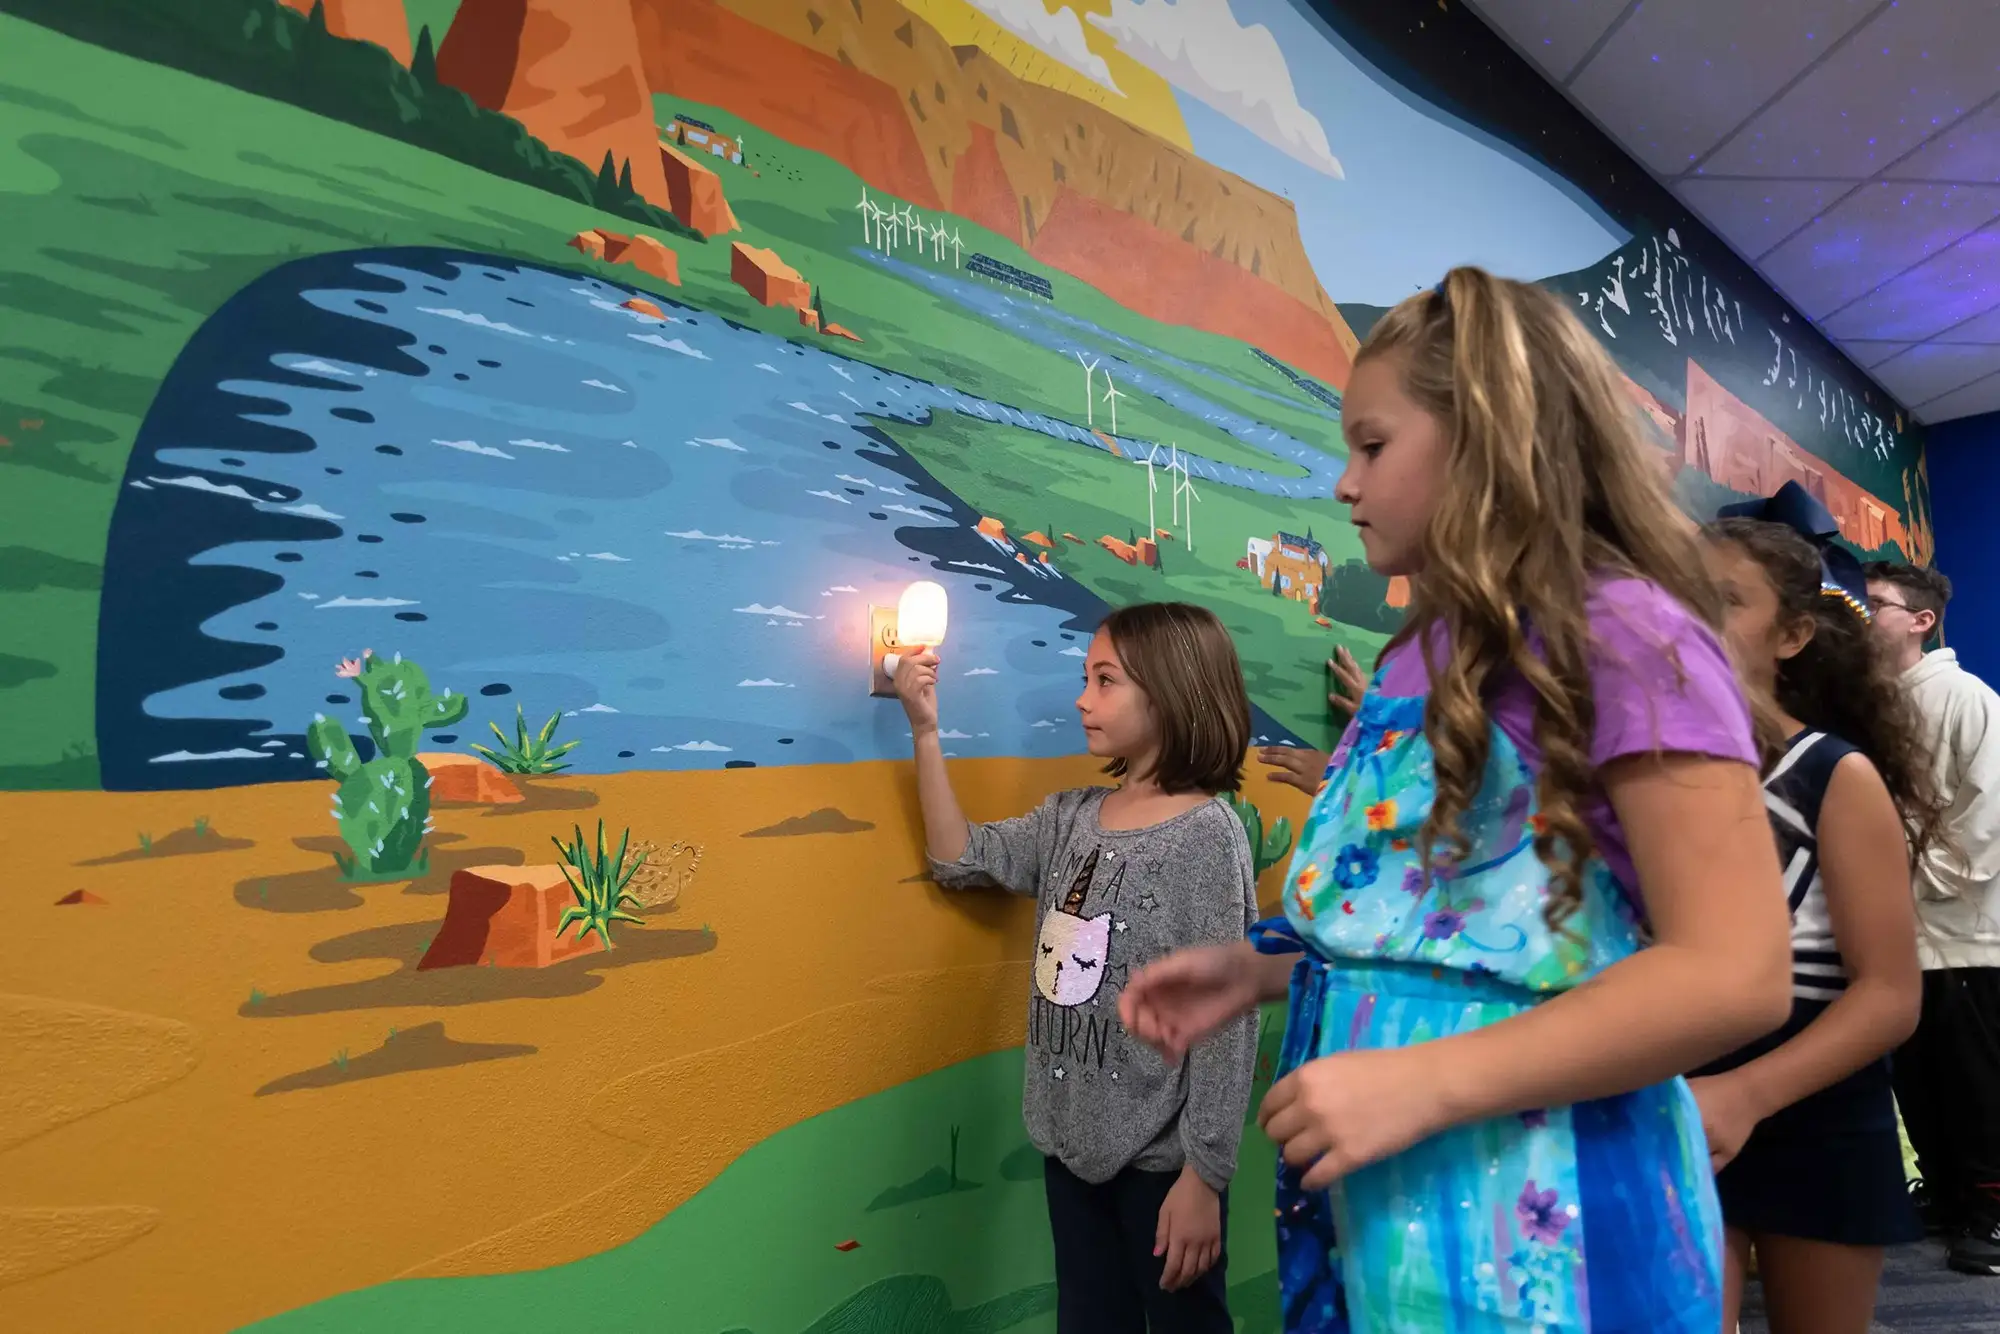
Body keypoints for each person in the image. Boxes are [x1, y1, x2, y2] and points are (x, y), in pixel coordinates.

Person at [1118, 267, 1794, 1333]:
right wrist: (1263, 972)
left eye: (1371, 445)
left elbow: (1736, 972)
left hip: (1553, 1239)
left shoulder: (1623, 635)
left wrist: (1425, 1081)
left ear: (1487, 436)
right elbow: (1450, 937)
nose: (1343, 483)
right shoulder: (1407, 658)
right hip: (1382, 1232)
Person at [895, 601, 1260, 1333]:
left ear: (1172, 692)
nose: (1082, 699)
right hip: (1068, 1155)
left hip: (1165, 1170)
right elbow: (958, 858)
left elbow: (1227, 1020)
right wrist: (925, 730)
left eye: (1105, 680)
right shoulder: (1069, 818)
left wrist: (1205, 1176)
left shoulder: (1208, 838)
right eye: (1084, 678)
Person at [1690, 489, 1933, 1332]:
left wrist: (1747, 1093)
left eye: (1723, 601)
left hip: (1815, 1105)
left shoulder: (1833, 774)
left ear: (1792, 635)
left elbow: (1890, 995)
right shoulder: (1646, 774)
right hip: (1678, 1098)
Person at [1864, 558, 2000, 1274]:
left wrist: (1904, 880)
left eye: (1875, 604)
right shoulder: (1872, 704)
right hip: (1900, 936)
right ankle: (1949, 1196)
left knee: (1976, 1081)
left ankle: (1993, 1212)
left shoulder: (1966, 697)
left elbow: (1987, 821)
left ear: (1921, 621)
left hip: (1965, 934)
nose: (1861, 614)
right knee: (1920, 1079)